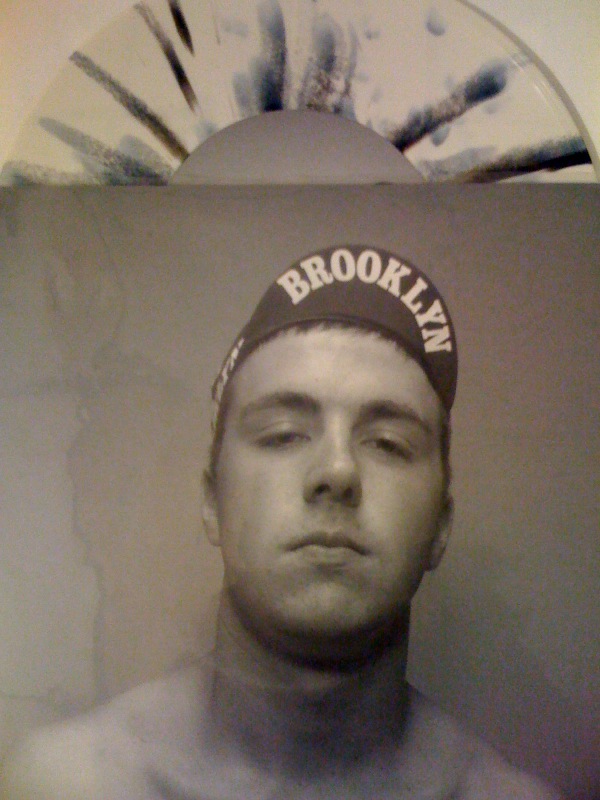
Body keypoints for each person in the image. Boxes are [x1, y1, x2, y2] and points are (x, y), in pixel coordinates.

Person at [1, 245, 560, 799]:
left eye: (389, 443)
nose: (337, 471)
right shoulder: (58, 785)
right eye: (283, 434)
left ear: (441, 525)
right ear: (212, 501)